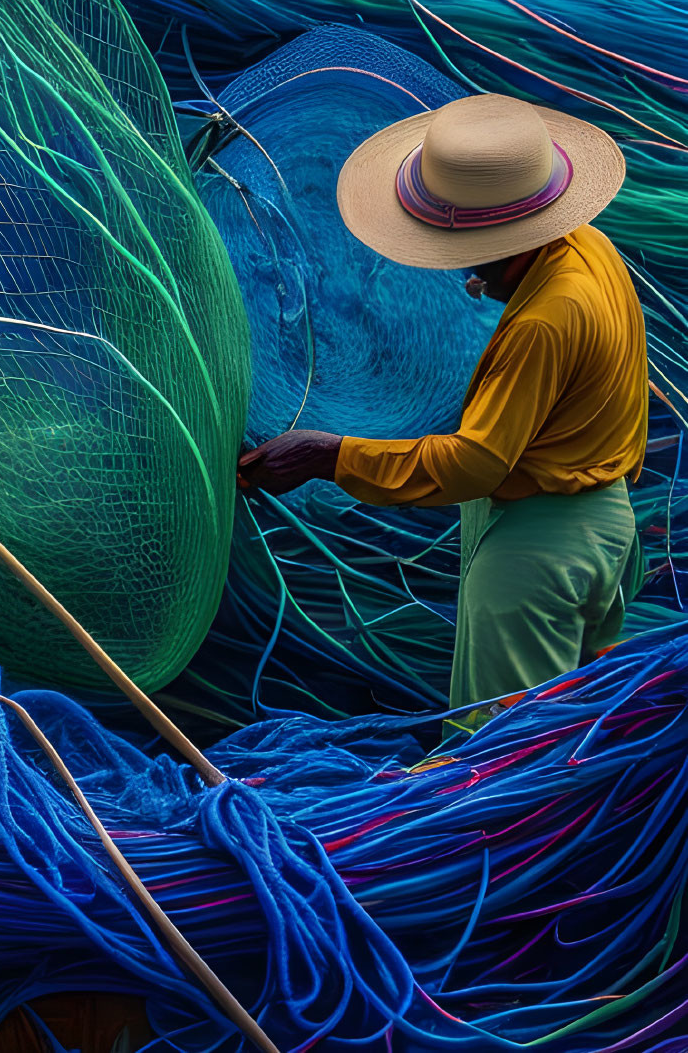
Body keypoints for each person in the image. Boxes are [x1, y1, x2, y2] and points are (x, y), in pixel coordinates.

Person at [238, 93, 648, 727]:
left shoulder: (544, 321)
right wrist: (506, 282)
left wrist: (330, 455)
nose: (458, 268)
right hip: (606, 531)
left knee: (498, 762)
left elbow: (476, 464)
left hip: (536, 562)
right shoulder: (589, 249)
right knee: (585, 736)